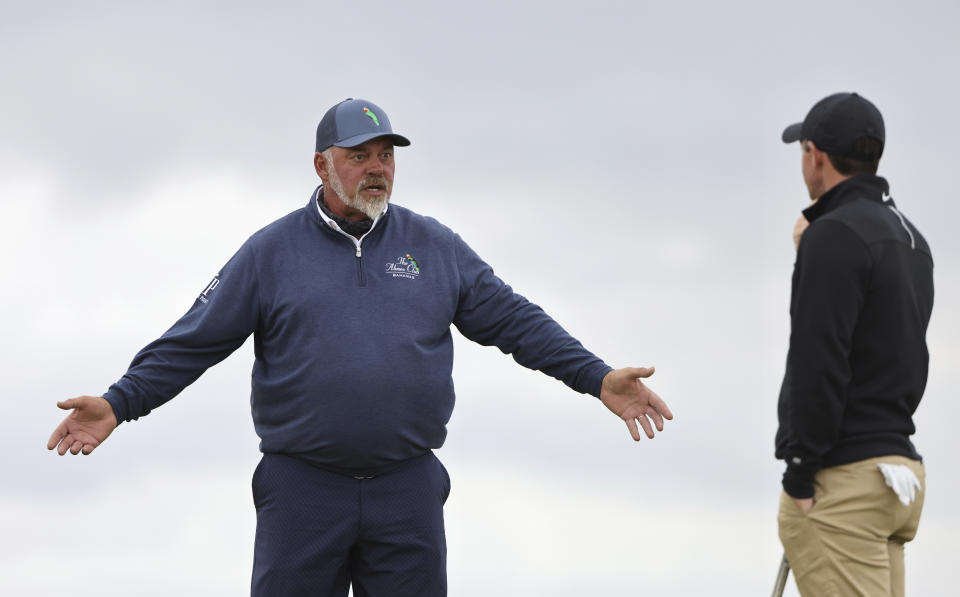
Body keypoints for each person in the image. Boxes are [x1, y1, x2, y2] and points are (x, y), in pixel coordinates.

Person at [47, 98, 673, 597]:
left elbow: (515, 321)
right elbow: (193, 340)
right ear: (322, 166)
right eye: (359, 155)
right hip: (302, 488)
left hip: (406, 488)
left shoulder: (434, 246)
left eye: (386, 155)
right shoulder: (271, 251)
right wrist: (118, 403)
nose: (377, 167)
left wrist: (596, 377)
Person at [775, 92, 934, 596]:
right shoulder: (911, 239)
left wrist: (800, 474)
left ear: (814, 154)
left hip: (843, 480)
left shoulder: (833, 236)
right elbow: (875, 338)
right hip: (897, 474)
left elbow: (819, 358)